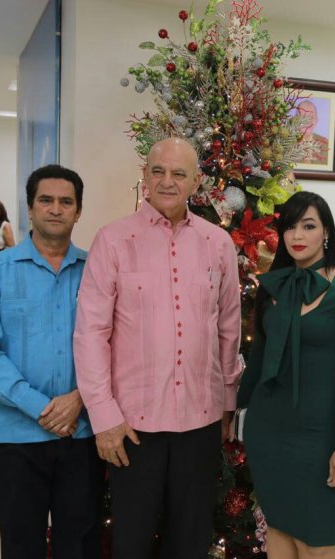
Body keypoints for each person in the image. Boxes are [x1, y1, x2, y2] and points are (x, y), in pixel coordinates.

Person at [74, 137, 241, 559]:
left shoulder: (217, 242)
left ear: (196, 182)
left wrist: (227, 403)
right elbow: (91, 333)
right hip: (132, 427)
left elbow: (228, 328)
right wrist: (104, 416)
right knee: (131, 542)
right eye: (158, 171)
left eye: (179, 173)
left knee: (190, 542)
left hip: (201, 423)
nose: (167, 181)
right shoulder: (113, 239)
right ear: (145, 176)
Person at [0, 164, 103, 558]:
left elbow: (114, 346)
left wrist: (79, 398)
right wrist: (42, 408)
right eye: (46, 200)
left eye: (66, 202)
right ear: (30, 208)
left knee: (79, 546)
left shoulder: (96, 271)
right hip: (16, 440)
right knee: (21, 546)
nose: (55, 209)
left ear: (78, 211)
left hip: (82, 436)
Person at [236, 191, 335, 558]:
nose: (297, 235)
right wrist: (231, 414)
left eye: (309, 226)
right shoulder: (273, 287)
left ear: (326, 232)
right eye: (290, 227)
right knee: (279, 532)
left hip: (321, 438)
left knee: (317, 541)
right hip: (268, 431)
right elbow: (258, 361)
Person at [296, 100, 329, 165]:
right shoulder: (285, 143)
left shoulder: (326, 143)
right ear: (295, 119)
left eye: (311, 117)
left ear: (316, 120)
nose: (308, 121)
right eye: (303, 117)